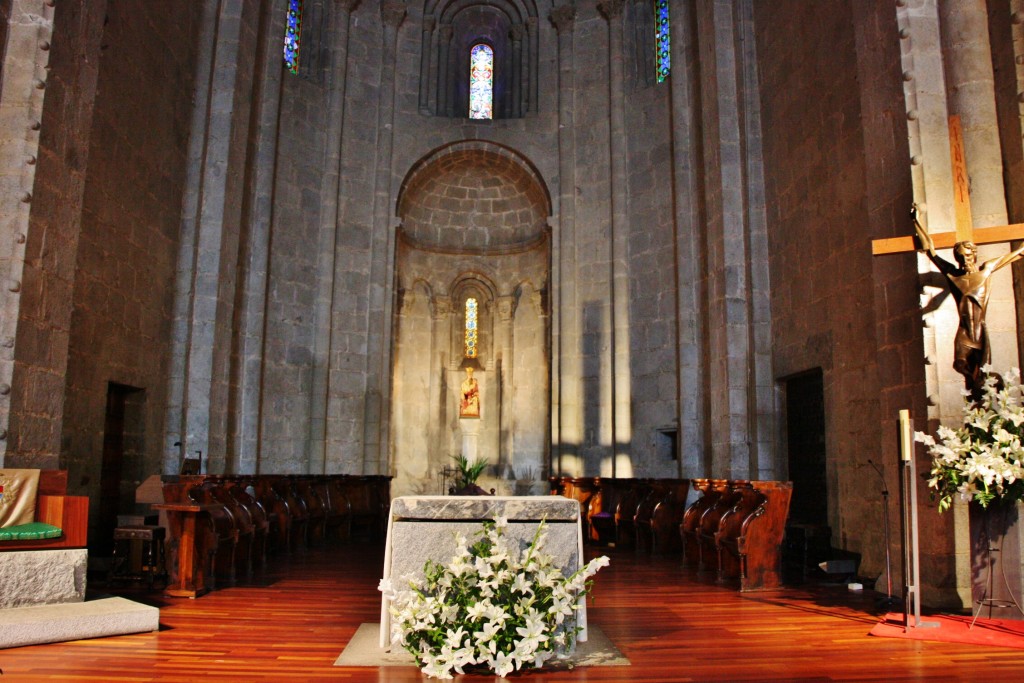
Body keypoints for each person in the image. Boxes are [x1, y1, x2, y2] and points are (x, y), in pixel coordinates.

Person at [914, 209, 1024, 394]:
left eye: (967, 255)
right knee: (960, 365)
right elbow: (930, 251)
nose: (964, 260)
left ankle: (980, 396)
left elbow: (1018, 253)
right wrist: (917, 221)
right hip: (964, 332)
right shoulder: (953, 275)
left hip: (980, 333)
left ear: (974, 254)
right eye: (960, 257)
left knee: (983, 376)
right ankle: (974, 388)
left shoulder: (986, 270)